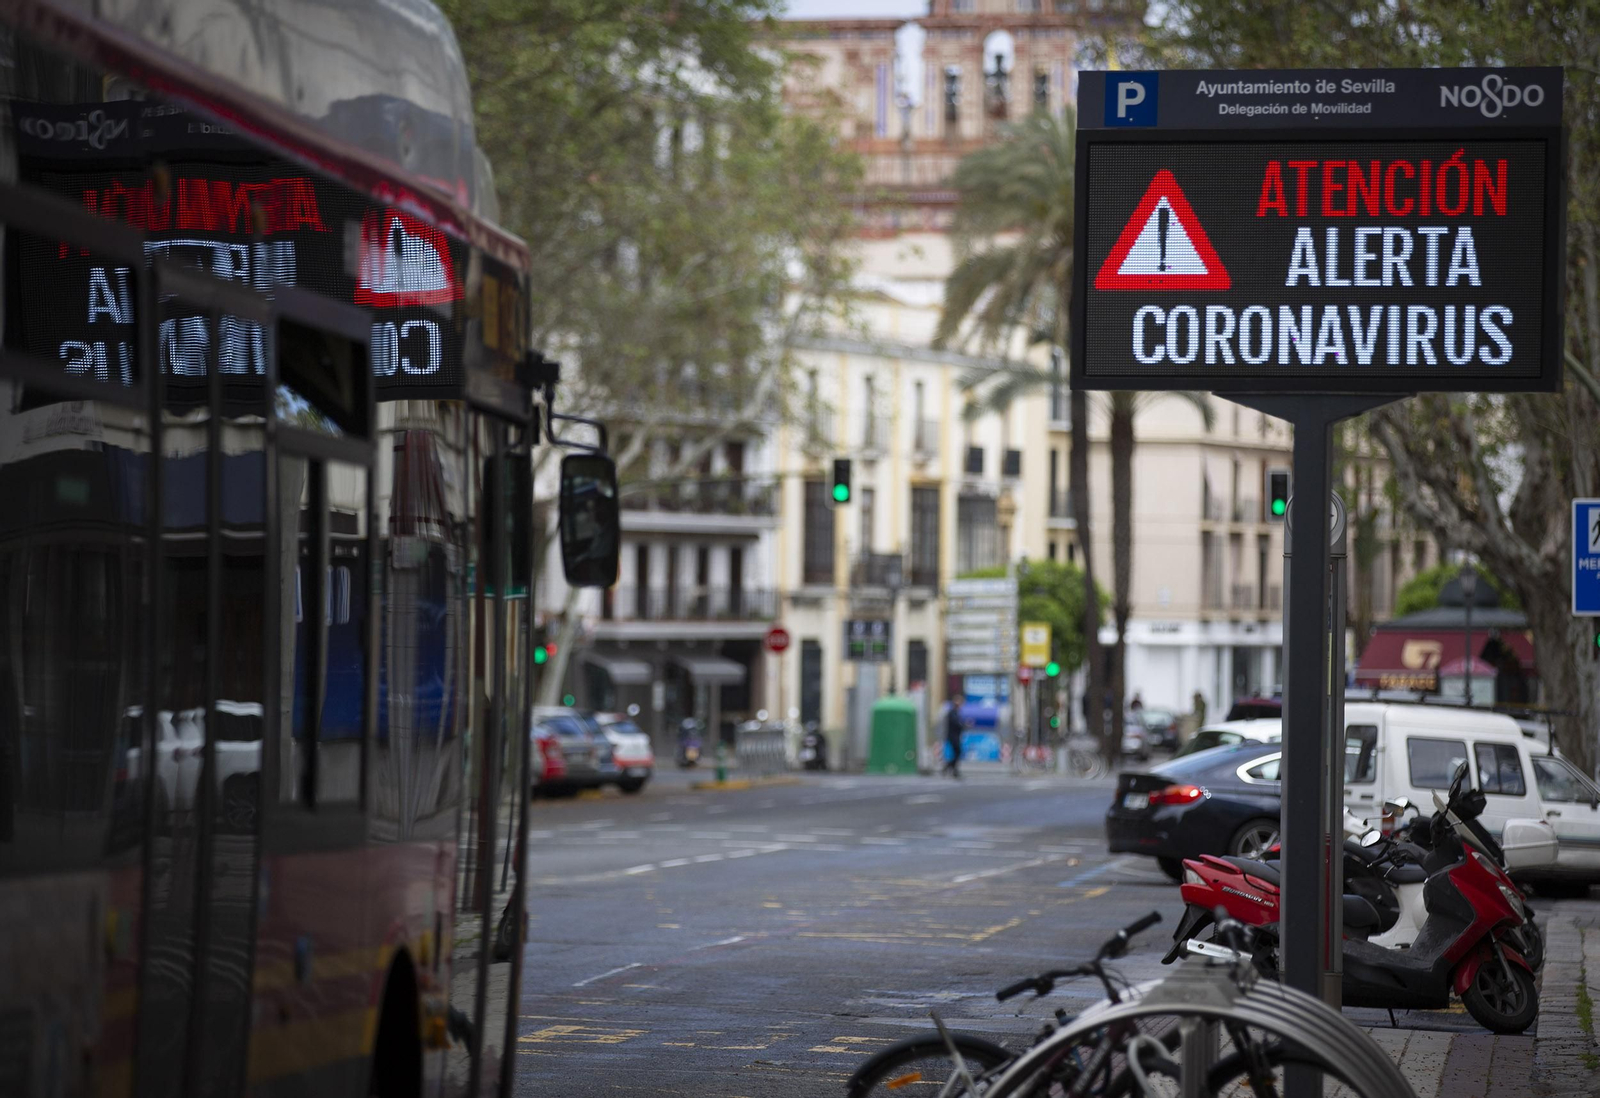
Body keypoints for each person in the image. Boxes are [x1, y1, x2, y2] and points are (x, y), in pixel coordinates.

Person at [943, 701, 964, 779]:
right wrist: (962, 725)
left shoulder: (955, 713)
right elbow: (956, 724)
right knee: (958, 752)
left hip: (955, 736)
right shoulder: (952, 713)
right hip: (953, 736)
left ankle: (950, 767)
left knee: (957, 753)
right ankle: (951, 768)